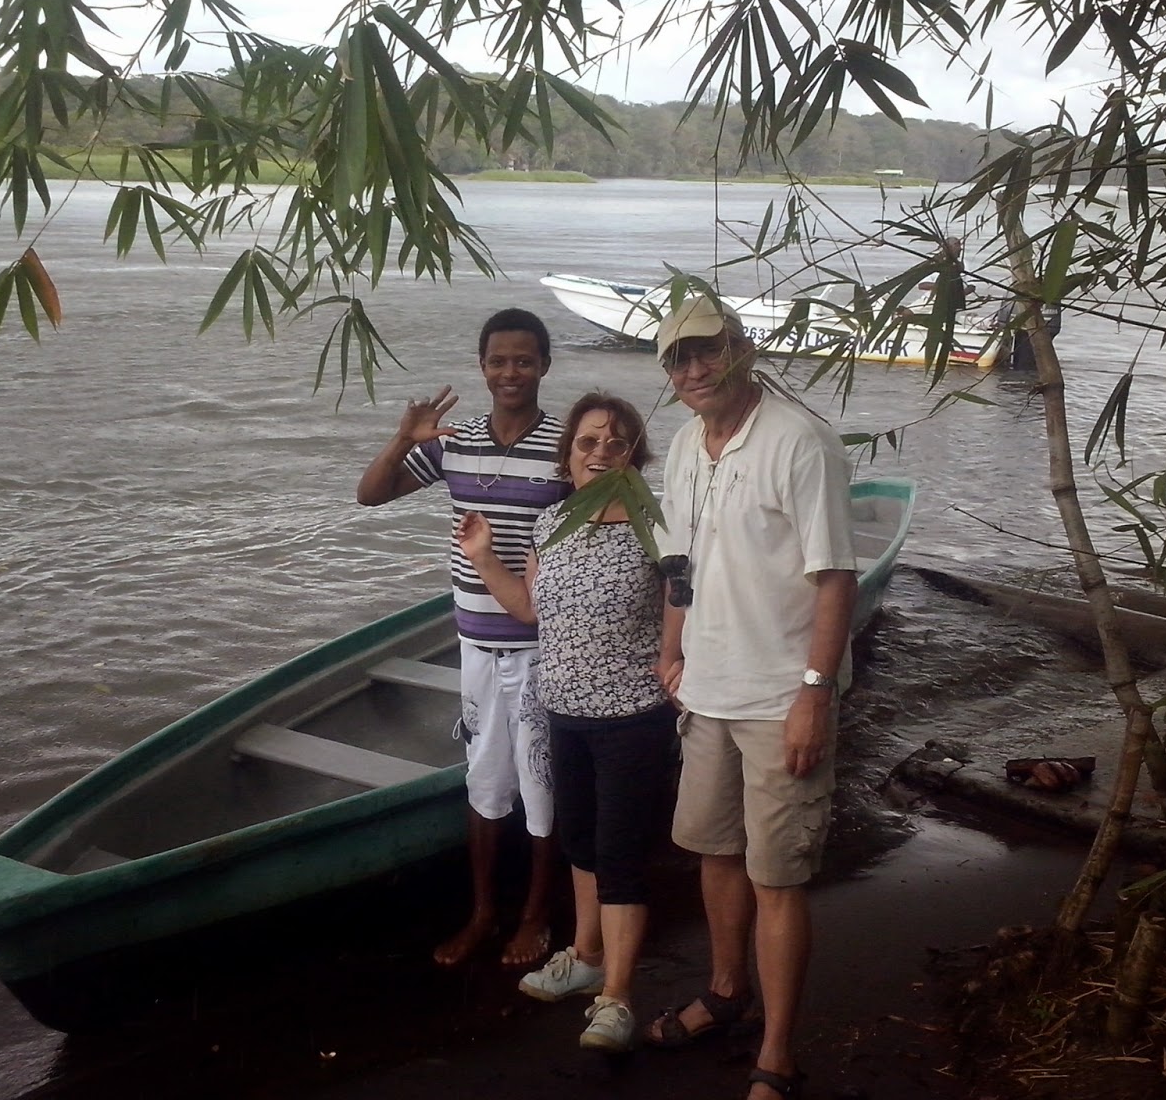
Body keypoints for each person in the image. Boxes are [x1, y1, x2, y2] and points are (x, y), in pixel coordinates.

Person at [645, 296, 857, 1100]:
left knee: (777, 877)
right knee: (716, 854)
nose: (693, 370)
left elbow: (834, 575)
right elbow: (679, 566)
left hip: (779, 698)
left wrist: (814, 693)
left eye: (706, 351)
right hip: (707, 691)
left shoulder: (799, 442)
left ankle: (777, 1053)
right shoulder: (682, 445)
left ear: (744, 346)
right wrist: (672, 651)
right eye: (676, 359)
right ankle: (726, 993)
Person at [456, 393, 676, 1053]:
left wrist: (677, 663)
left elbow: (684, 606)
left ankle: (618, 997)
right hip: (563, 709)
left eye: (617, 441)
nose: (601, 451)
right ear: (568, 453)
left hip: (632, 713)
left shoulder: (656, 526)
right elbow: (529, 610)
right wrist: (484, 556)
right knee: (580, 841)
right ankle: (585, 955)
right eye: (588, 441)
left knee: (620, 856)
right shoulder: (551, 520)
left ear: (635, 455)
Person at [356, 308, 571, 969]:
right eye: (499, 360)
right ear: (482, 368)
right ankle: (482, 913)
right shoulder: (456, 441)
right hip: (475, 642)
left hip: (542, 644)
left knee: (541, 784)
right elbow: (370, 494)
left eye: (525, 359)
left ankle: (535, 915)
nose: (512, 372)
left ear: (544, 365)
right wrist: (402, 438)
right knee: (483, 781)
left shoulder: (568, 447)